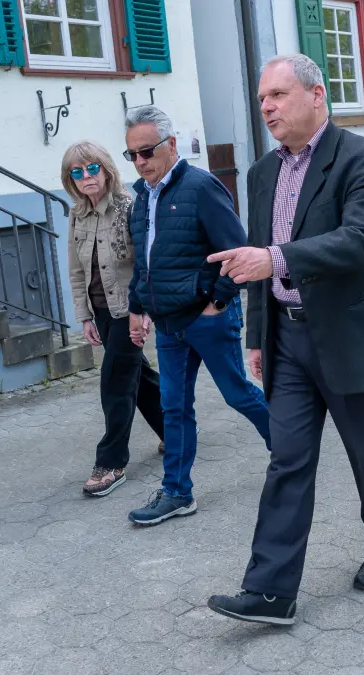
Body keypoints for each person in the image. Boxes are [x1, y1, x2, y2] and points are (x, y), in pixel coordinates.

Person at [203, 54, 364, 625]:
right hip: (286, 339)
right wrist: (256, 334)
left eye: (278, 95)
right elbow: (252, 261)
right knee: (287, 460)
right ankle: (271, 591)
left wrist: (274, 259)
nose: (266, 107)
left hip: (348, 333)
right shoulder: (260, 173)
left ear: (317, 95)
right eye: (262, 98)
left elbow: (358, 240)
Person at [123, 106, 272, 526]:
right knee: (173, 407)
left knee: (238, 394)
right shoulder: (142, 197)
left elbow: (238, 251)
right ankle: (176, 492)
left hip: (207, 318)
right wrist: (137, 308)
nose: (140, 161)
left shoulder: (201, 187)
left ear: (171, 145)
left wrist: (217, 304)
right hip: (168, 324)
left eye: (147, 151)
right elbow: (143, 263)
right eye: (132, 154)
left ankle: (291, 450)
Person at [63, 141, 165, 497]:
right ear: (70, 179)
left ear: (106, 170)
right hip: (101, 311)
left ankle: (111, 462)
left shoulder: (129, 207)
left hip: (127, 310)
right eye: (78, 172)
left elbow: (146, 263)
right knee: (140, 376)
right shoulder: (77, 214)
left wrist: (143, 309)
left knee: (116, 383)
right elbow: (76, 270)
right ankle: (176, 430)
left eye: (92, 168)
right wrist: (84, 317)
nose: (86, 176)